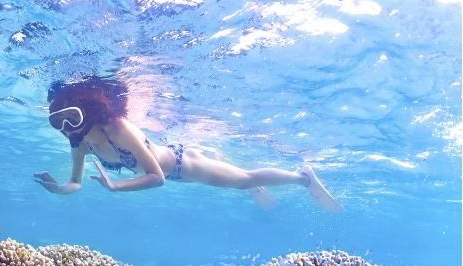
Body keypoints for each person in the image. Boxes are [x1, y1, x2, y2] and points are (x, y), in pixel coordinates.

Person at [33, 76, 342, 211]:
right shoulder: (79, 140)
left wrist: (116, 186)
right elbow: (75, 182)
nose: (68, 126)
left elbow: (157, 179)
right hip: (175, 161)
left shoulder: (118, 127)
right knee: (232, 176)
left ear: (88, 106)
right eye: (59, 120)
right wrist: (58, 188)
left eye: (71, 116)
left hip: (181, 165)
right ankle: (228, 168)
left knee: (242, 180)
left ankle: (303, 177)